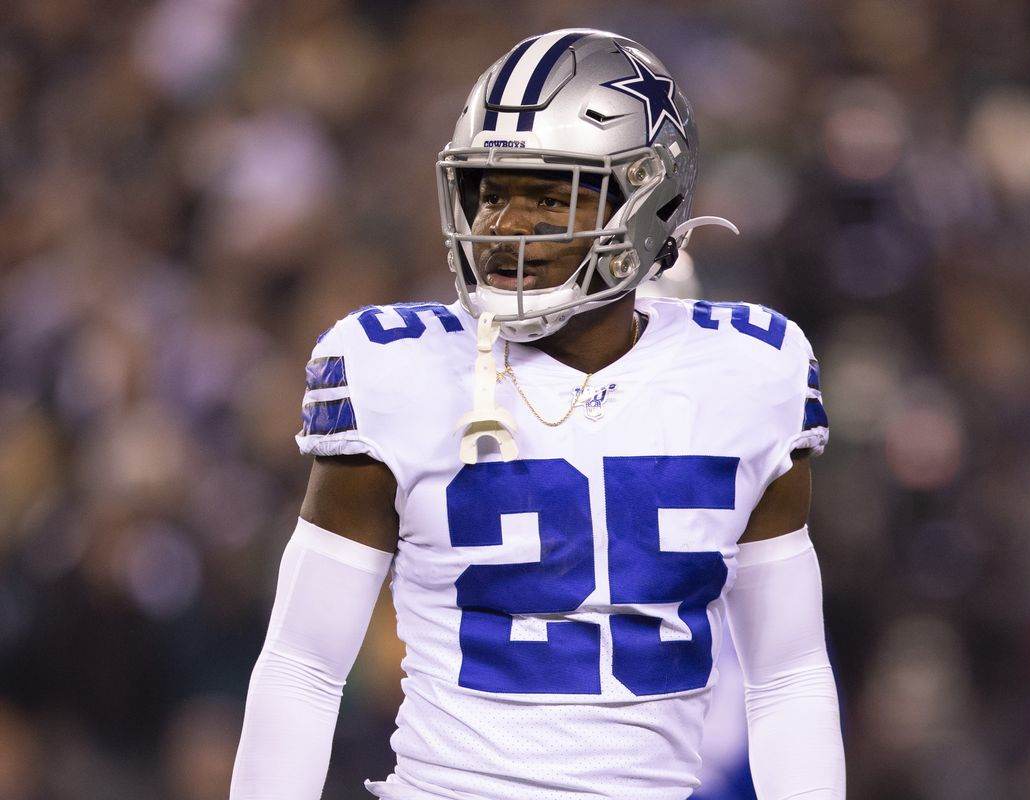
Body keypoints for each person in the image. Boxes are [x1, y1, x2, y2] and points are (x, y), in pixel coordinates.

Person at [230, 28, 845, 800]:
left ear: (647, 202)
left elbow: (787, 675)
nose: (504, 226)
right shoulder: (397, 370)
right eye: (492, 193)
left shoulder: (749, 373)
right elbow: (304, 664)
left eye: (549, 197)